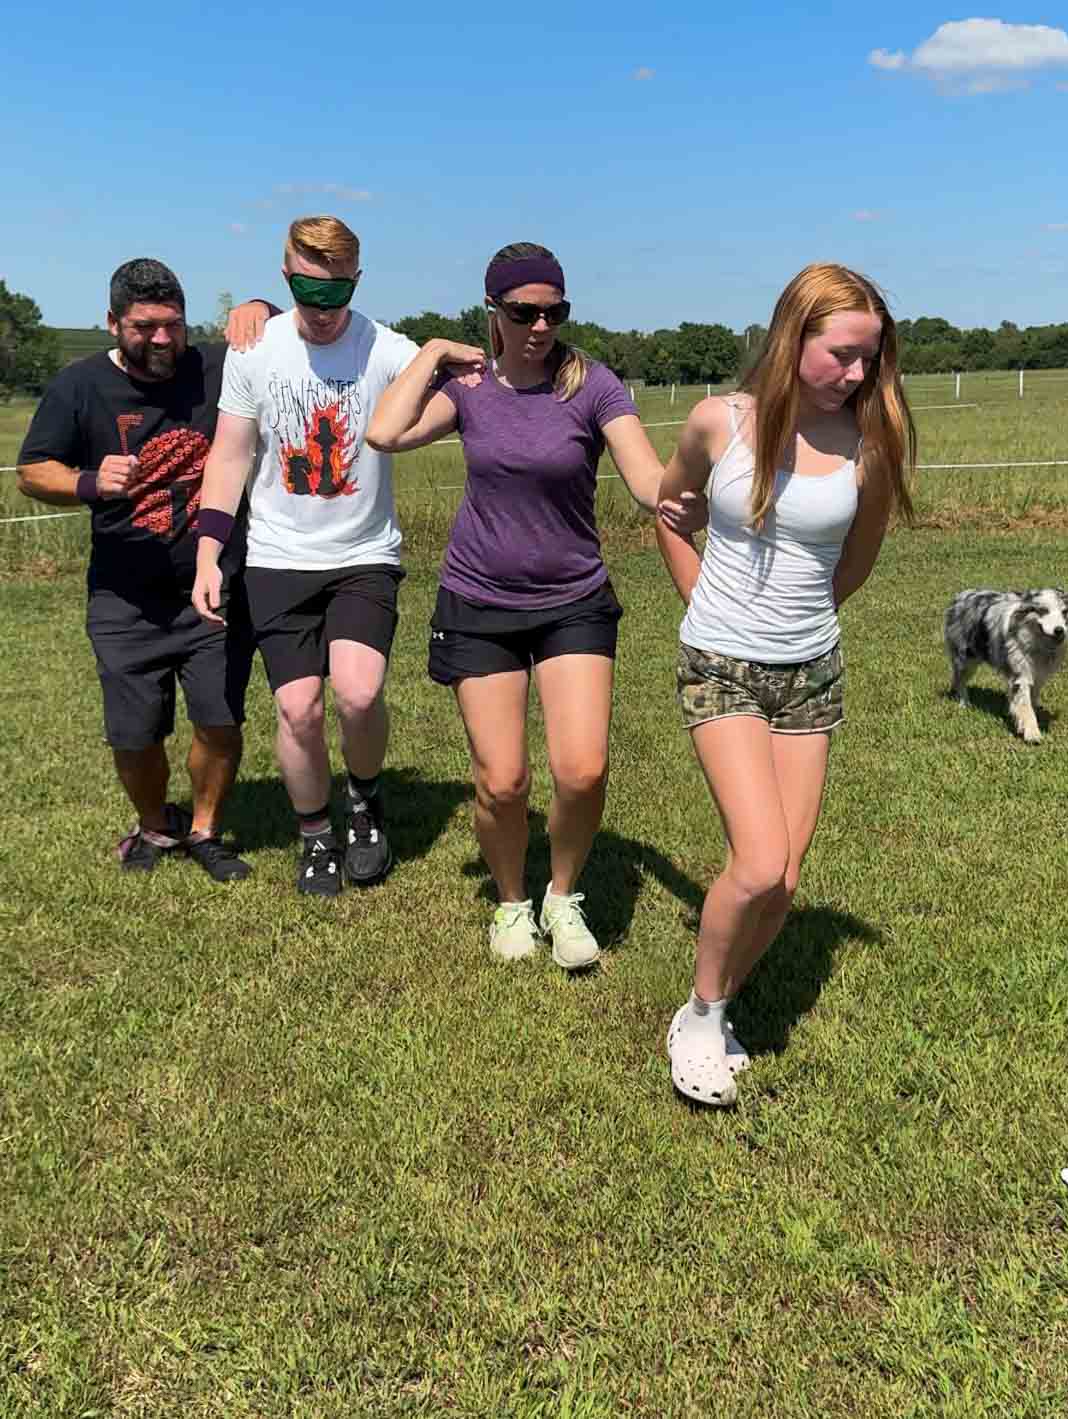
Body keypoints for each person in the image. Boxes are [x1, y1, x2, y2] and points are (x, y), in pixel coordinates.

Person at [366, 241, 703, 967]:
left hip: (573, 600)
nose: (541, 326)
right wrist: (431, 354)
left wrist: (702, 477)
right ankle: (512, 902)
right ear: (493, 311)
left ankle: (562, 894)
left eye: (554, 311)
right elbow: (383, 433)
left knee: (581, 770)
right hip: (478, 600)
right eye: (524, 312)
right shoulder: (468, 387)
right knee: (503, 778)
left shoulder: (592, 385)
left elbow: (647, 480)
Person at [655, 263, 916, 1106]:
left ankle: (720, 1001)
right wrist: (705, 604)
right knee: (759, 861)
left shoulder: (870, 445)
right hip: (719, 664)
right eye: (842, 355)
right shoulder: (716, 423)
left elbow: (856, 561)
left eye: (869, 361)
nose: (857, 374)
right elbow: (671, 509)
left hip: (811, 671)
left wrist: (796, 626)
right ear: (792, 337)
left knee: (786, 877)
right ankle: (697, 1014)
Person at [193, 216, 421, 898]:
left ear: (356, 281)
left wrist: (440, 349)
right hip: (276, 558)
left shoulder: (385, 348)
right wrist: (209, 553)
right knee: (298, 710)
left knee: (357, 692)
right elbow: (229, 454)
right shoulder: (254, 350)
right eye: (306, 292)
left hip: (361, 553)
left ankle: (365, 800)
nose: (323, 314)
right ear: (285, 276)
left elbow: (457, 387)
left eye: (336, 296)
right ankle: (316, 834)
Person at [17, 258, 261, 881]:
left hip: (209, 584)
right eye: (143, 326)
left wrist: (260, 307)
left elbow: (295, 334)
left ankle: (205, 828)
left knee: (218, 717)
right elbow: (33, 470)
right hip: (124, 593)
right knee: (134, 731)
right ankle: (155, 823)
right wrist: (91, 481)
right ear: (112, 323)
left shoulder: (215, 365)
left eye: (172, 325)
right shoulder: (80, 386)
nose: (160, 339)